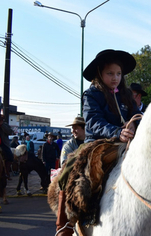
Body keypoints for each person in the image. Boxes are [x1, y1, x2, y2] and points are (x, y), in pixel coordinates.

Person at [55, 49, 140, 236]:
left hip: (127, 142)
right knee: (68, 170)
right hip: (98, 143)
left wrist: (134, 125)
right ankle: (64, 225)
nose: (115, 77)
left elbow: (136, 116)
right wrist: (117, 132)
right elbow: (93, 120)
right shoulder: (92, 94)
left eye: (118, 73)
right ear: (100, 73)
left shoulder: (126, 94)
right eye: (110, 73)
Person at [0, 115, 14, 181]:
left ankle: (6, 173)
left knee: (10, 157)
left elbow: (10, 132)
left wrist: (2, 125)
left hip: (3, 144)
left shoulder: (4, 125)